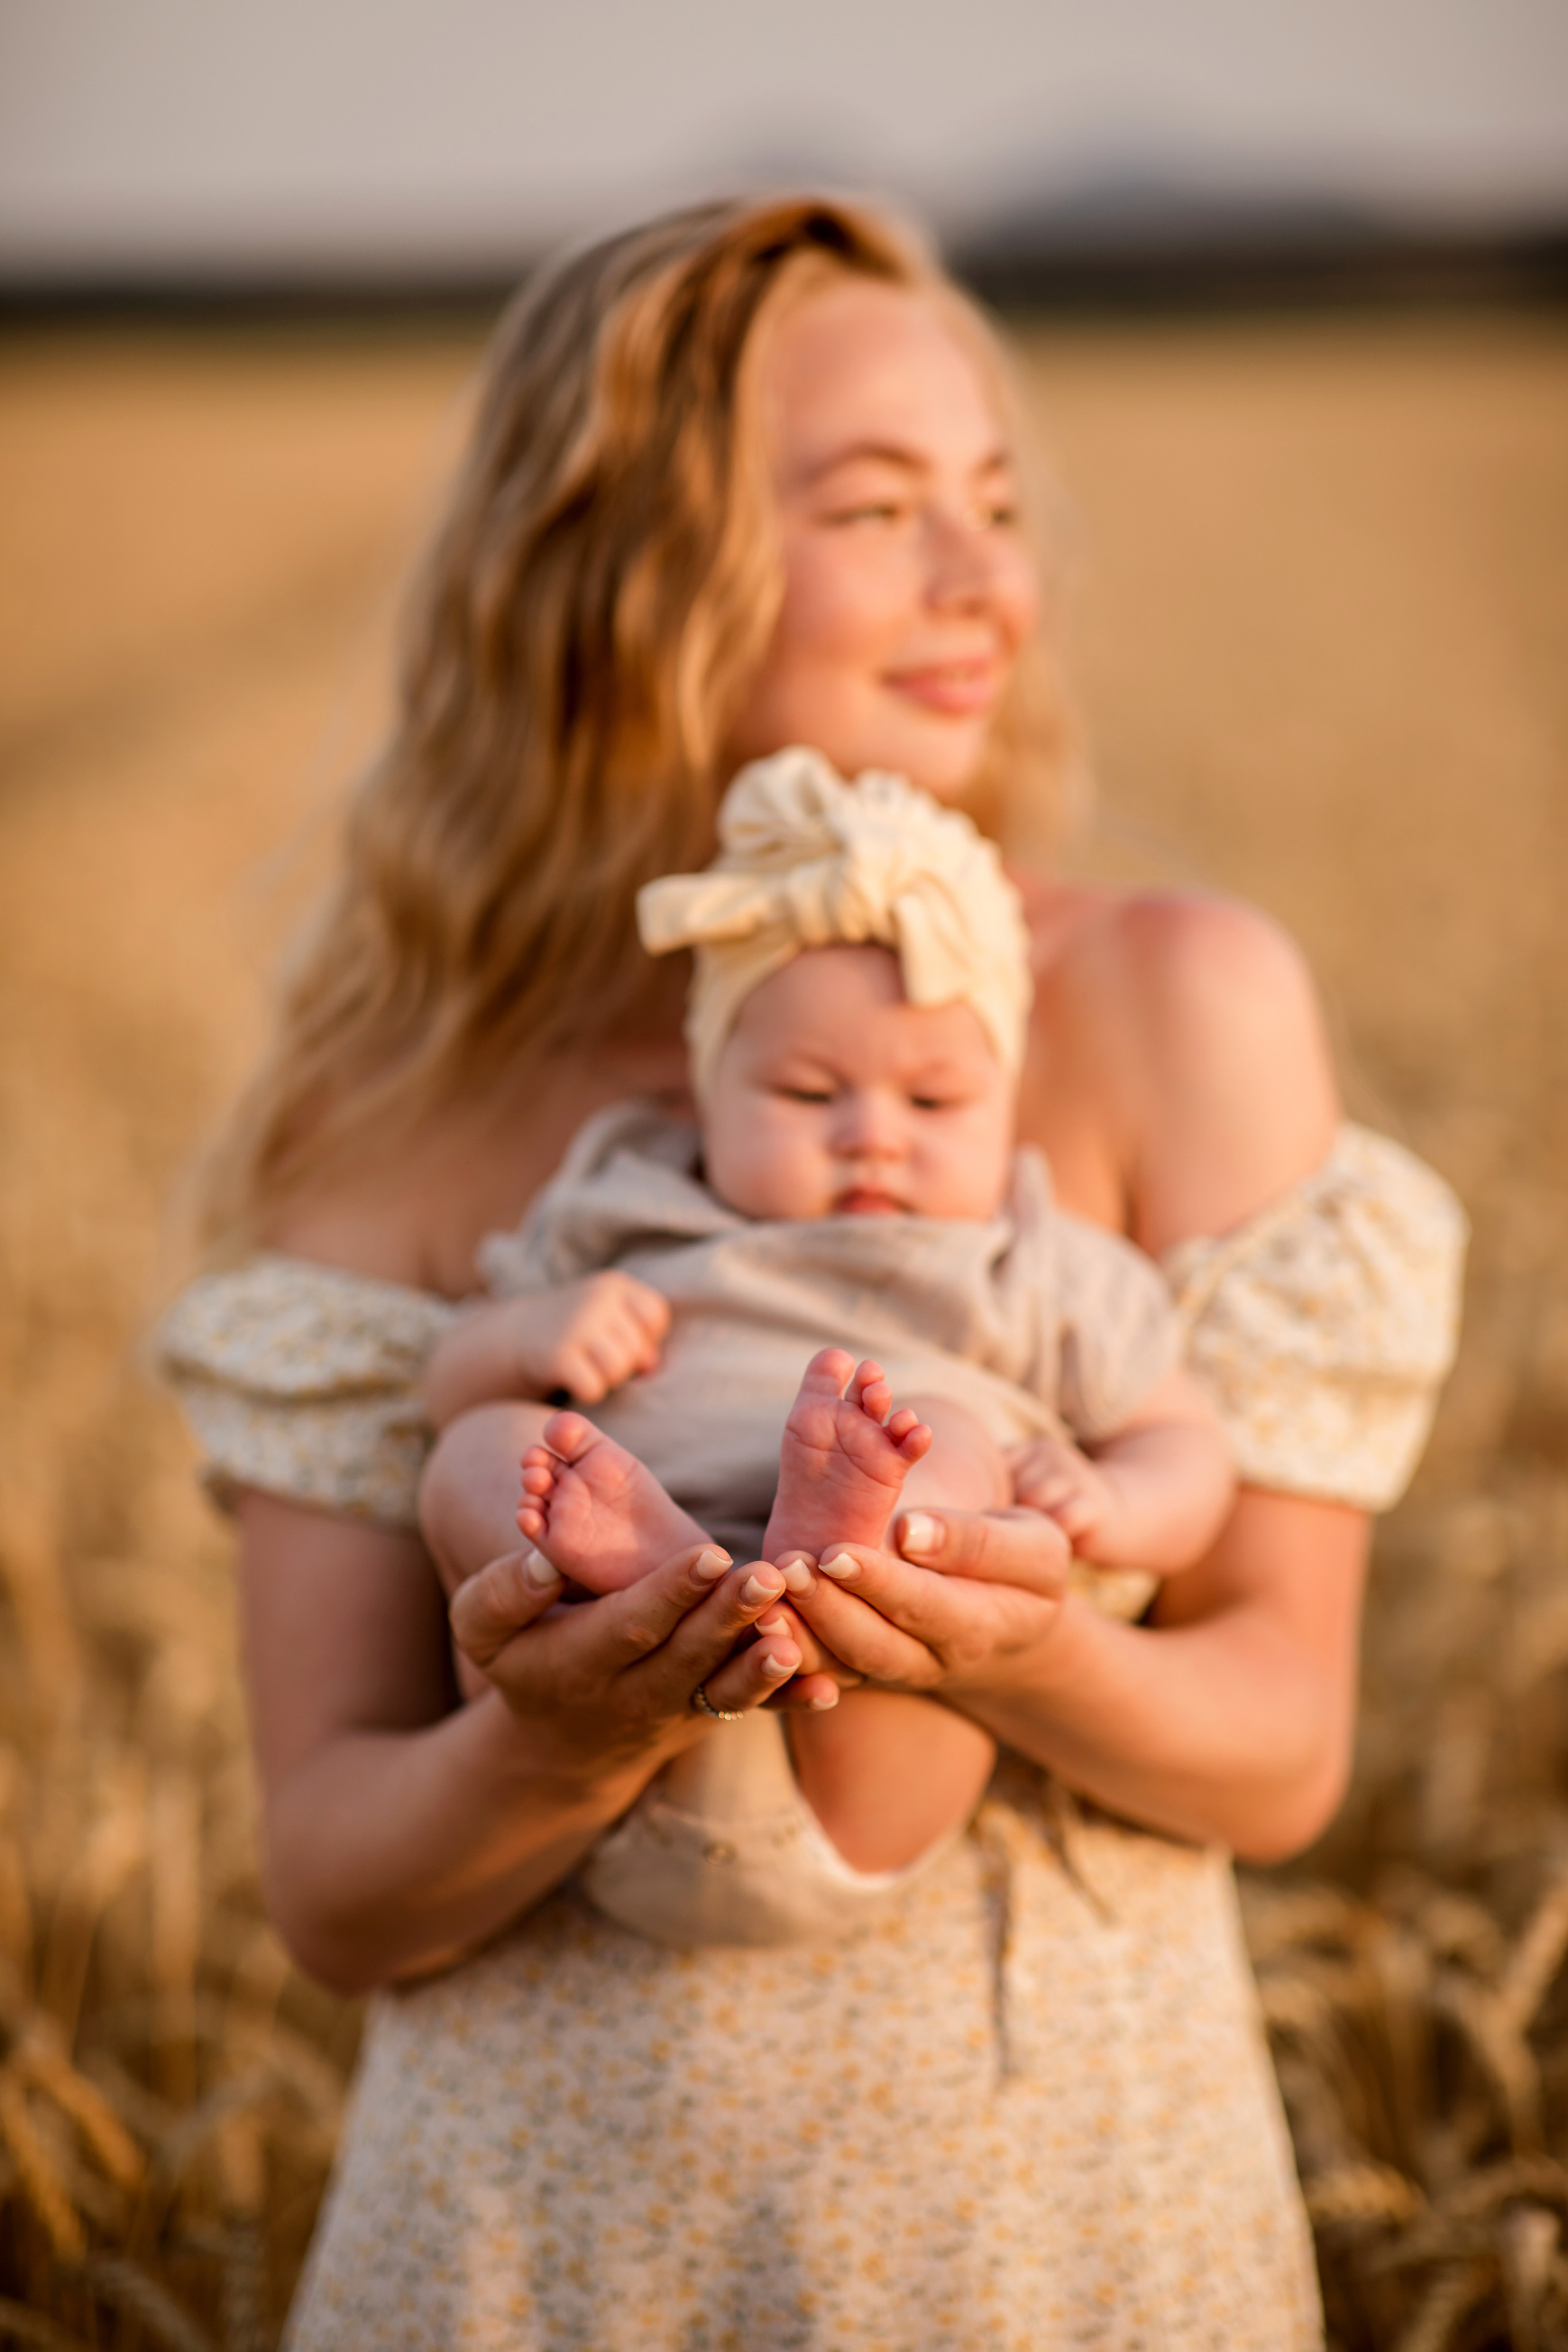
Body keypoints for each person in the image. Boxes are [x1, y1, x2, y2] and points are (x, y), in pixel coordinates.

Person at [156, 193, 1466, 2348]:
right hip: (540, 2252)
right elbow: (333, 1893)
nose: (984, 581)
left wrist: (1022, 1646)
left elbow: (1281, 1755)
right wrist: (562, 1739)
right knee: (502, 1455)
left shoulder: (1168, 1003)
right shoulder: (407, 1108)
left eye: (996, 504)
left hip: (1040, 2230)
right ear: (620, 570)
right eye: (876, 507)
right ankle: (664, 1562)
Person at [414, 749, 1236, 1948]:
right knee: (483, 1447)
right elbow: (444, 1386)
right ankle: (646, 1573)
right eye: (808, 1094)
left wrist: (1115, 1502)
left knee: (948, 1439)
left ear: (1005, 1105)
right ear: (709, 1093)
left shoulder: (1026, 1262)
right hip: (592, 1735)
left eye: (931, 1103)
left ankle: (849, 1546)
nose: (871, 1138)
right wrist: (530, 1334)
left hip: (875, 1720)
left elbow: (1186, 1445)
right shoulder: (627, 1213)